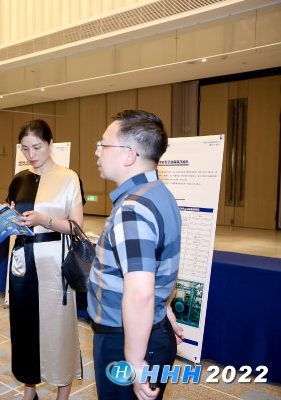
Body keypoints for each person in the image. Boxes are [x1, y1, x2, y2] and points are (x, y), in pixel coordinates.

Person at [87, 110, 185, 400]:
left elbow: (140, 293)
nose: (97, 152)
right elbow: (162, 263)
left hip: (126, 340)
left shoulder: (133, 209)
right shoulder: (159, 193)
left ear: (129, 155)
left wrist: (134, 361)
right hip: (149, 330)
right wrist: (163, 310)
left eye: (103, 145)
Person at [0, 119, 85, 400]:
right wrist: (1, 216)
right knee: (24, 328)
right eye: (25, 149)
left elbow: (77, 227)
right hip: (23, 260)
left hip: (55, 263)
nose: (31, 154)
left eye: (37, 147)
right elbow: (15, 220)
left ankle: (62, 394)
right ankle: (29, 391)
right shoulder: (19, 179)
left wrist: (45, 220)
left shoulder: (68, 178)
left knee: (59, 329)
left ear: (50, 144)